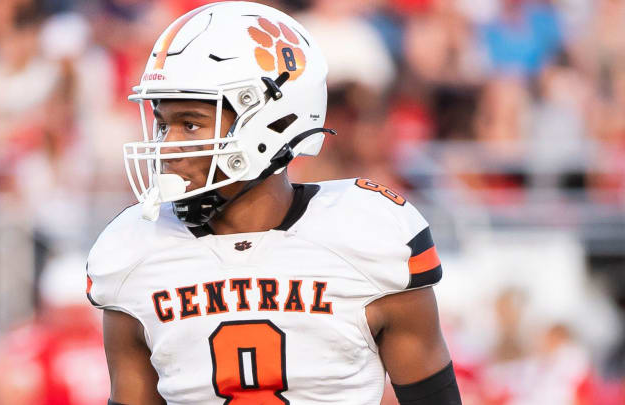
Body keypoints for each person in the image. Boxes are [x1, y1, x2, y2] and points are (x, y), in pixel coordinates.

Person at [86, 2, 461, 404]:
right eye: (163, 123)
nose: (167, 146)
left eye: (190, 123)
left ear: (271, 120)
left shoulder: (369, 238)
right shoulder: (135, 252)